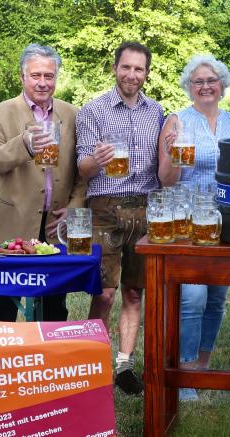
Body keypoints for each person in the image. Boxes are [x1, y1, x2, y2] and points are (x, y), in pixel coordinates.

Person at [75, 41, 164, 395]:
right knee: (105, 291)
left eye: (139, 69)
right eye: (126, 67)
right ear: (115, 68)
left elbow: (165, 165)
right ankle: (91, 364)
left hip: (145, 207)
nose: (132, 75)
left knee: (134, 291)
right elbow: (82, 169)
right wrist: (96, 159)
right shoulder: (93, 111)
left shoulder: (157, 113)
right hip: (105, 207)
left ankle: (124, 365)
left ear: (146, 73)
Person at [157, 54, 230, 401]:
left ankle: (203, 367)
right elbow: (166, 180)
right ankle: (186, 370)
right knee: (193, 296)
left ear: (222, 85)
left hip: (226, 219)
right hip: (188, 219)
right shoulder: (177, 121)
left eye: (212, 80)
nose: (206, 86)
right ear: (189, 87)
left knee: (217, 296)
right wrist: (174, 154)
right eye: (198, 81)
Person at [0, 44, 87, 323]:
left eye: (49, 76)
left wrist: (75, 206)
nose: (43, 83)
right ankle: (0, 363)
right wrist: (24, 145)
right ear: (22, 77)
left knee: (54, 307)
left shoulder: (73, 114)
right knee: (2, 306)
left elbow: (82, 171)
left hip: (55, 224)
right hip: (12, 225)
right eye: (36, 75)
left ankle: (47, 362)